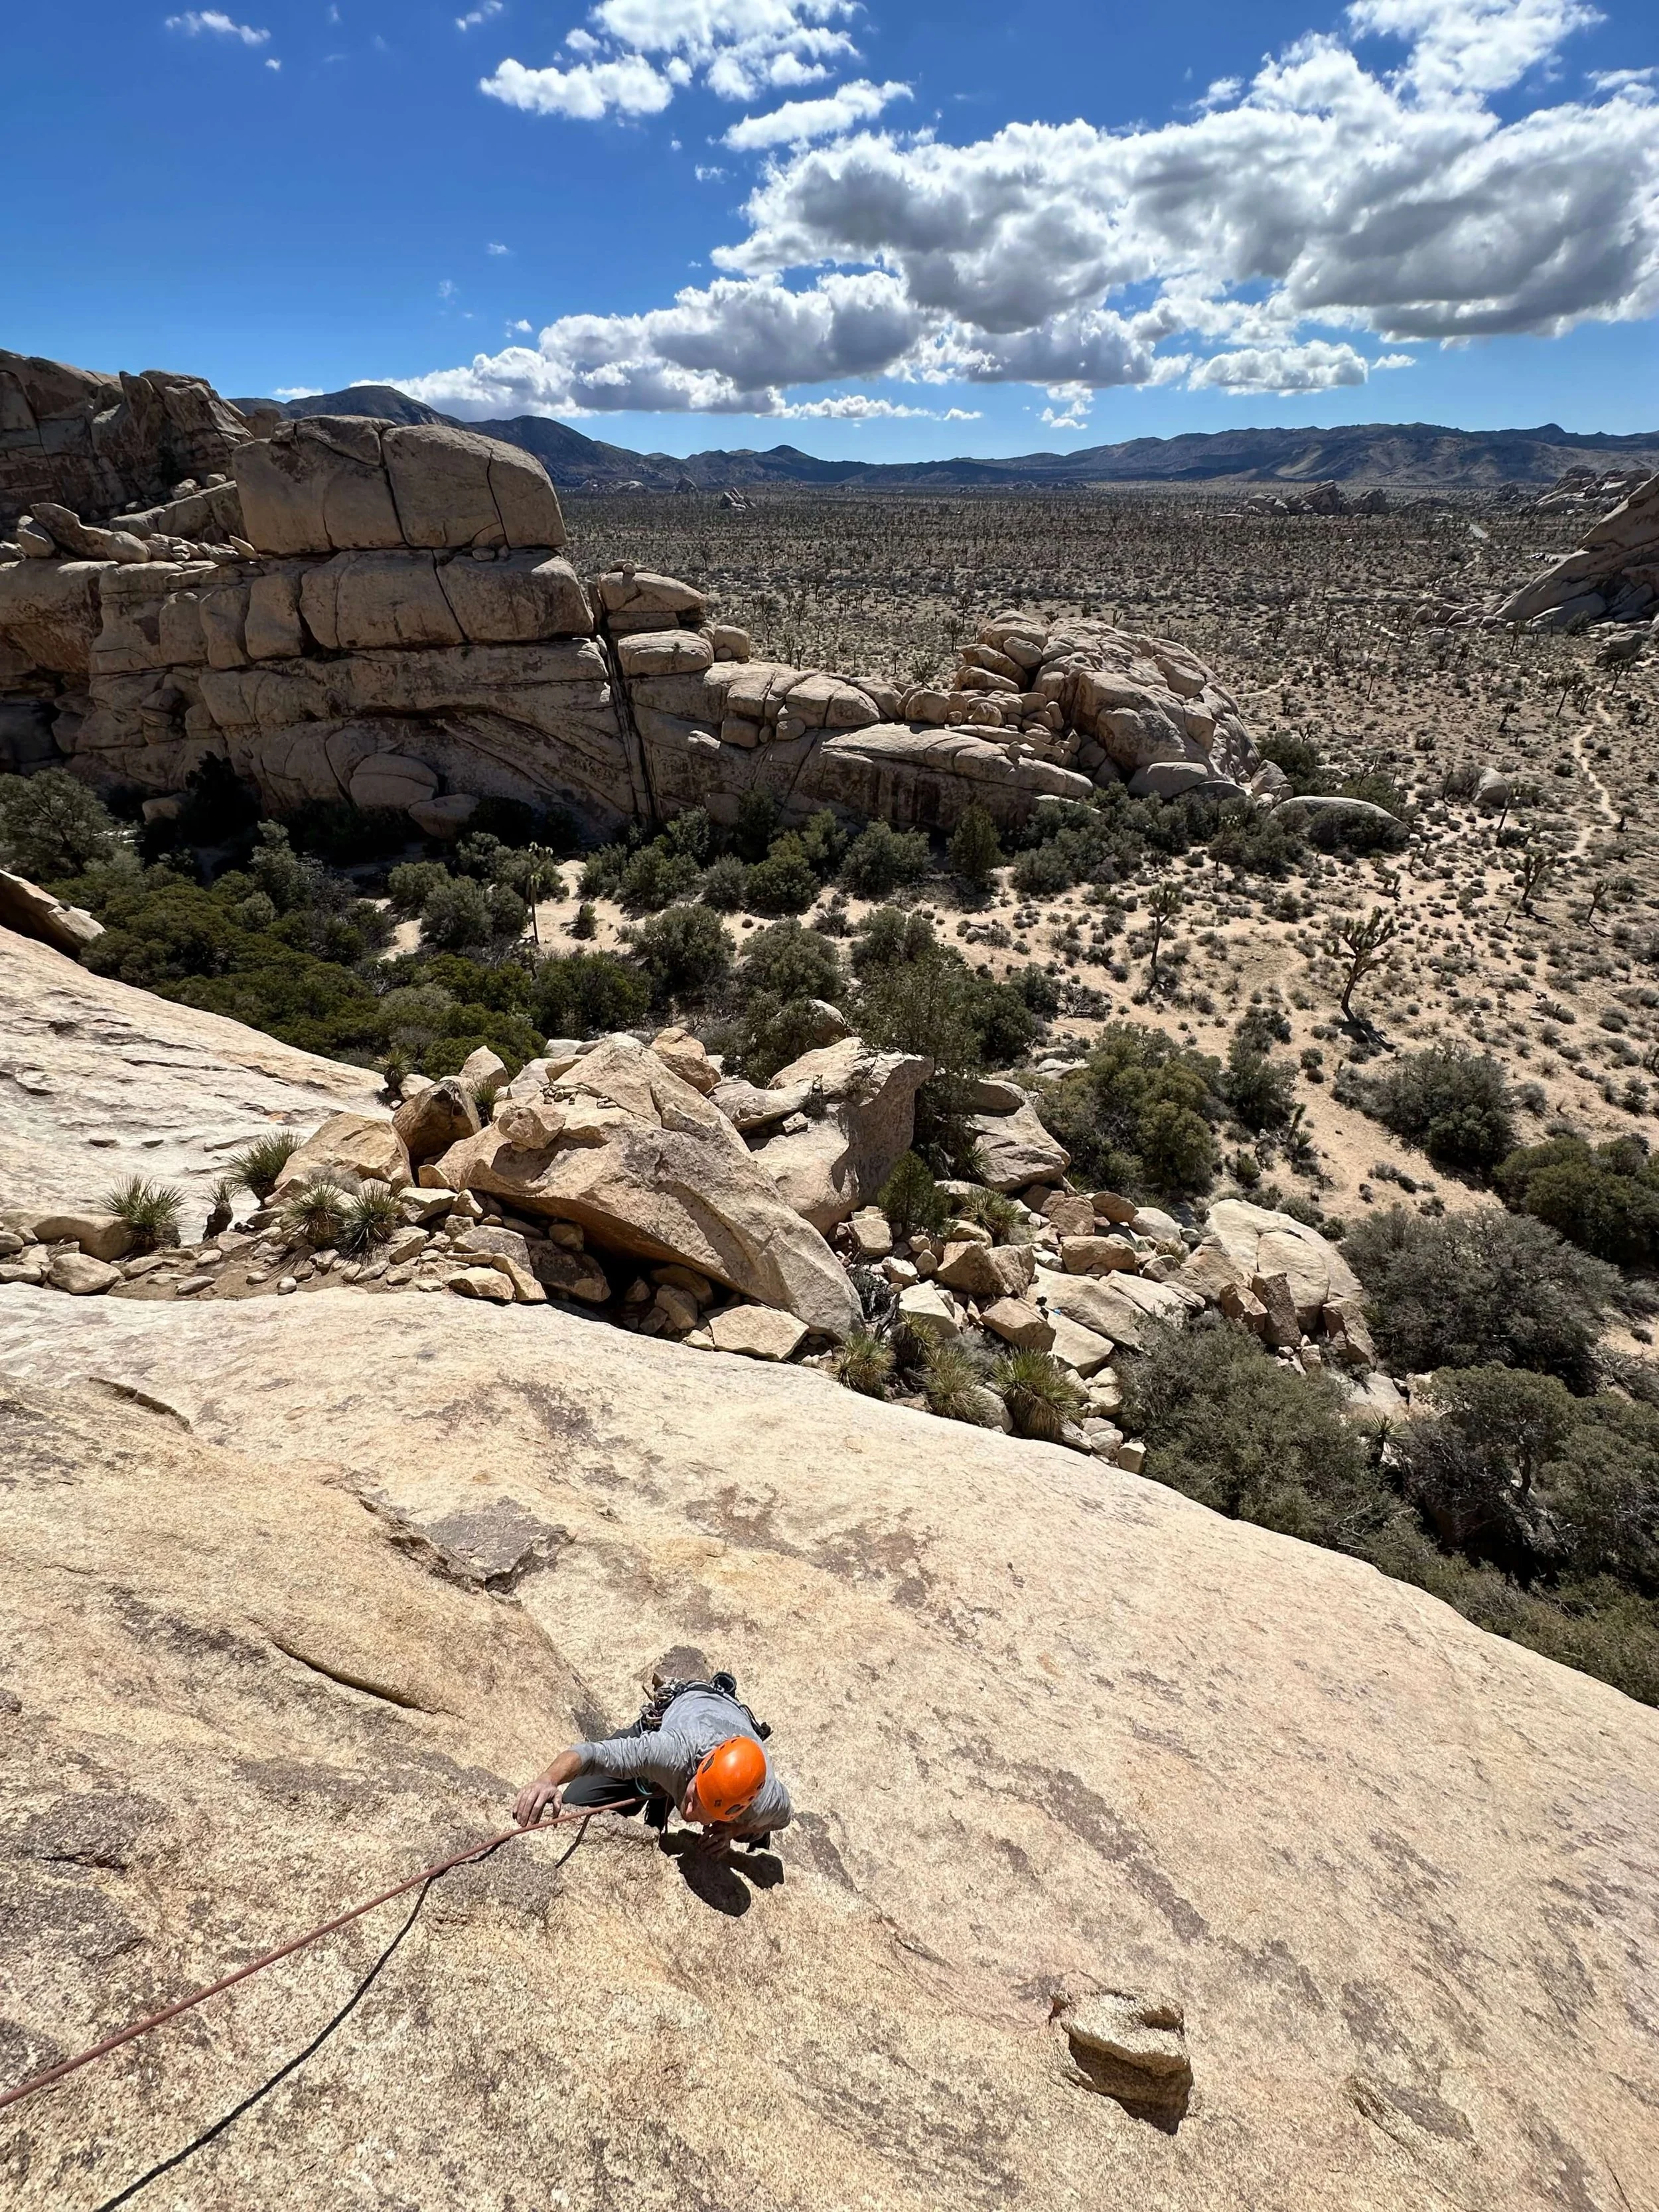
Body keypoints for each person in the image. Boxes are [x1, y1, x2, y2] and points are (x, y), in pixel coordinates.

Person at [514, 1672, 790, 1854]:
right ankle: (651, 1787)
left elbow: (783, 1818)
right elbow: (591, 1755)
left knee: (754, 1833)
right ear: (698, 1770)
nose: (690, 1810)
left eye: (705, 1809)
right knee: (577, 1800)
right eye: (696, 1794)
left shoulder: (763, 1800)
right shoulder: (669, 1751)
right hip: (687, 1705)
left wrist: (734, 1829)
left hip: (733, 1719)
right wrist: (547, 1780)